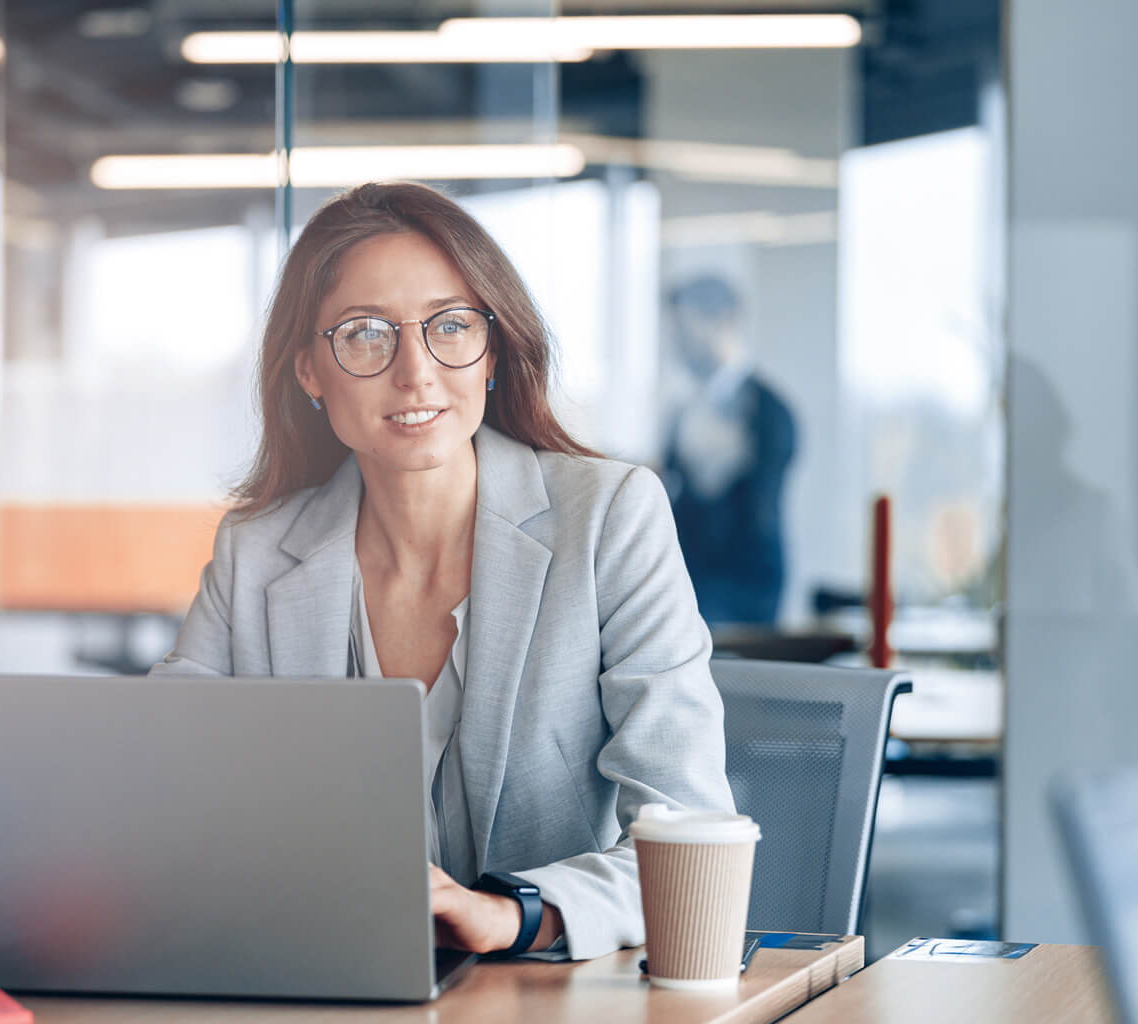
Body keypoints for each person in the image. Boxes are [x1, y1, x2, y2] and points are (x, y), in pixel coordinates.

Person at [150, 182, 733, 961]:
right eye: (365, 335)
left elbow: (687, 830)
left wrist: (514, 914)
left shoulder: (609, 518)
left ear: (492, 349)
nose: (417, 374)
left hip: (546, 997)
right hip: (326, 984)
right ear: (310, 372)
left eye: (450, 327)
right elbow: (157, 793)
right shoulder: (255, 553)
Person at [660, 274, 796, 626]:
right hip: (688, 587)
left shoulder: (767, 411)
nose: (677, 342)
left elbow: (755, 508)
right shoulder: (687, 407)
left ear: (722, 320)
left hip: (739, 599)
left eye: (684, 327)